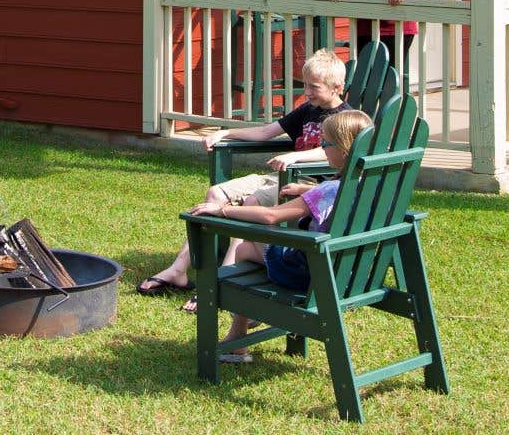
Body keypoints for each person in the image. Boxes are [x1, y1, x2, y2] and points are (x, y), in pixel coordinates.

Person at [136, 47, 349, 298]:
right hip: (276, 176)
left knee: (252, 201)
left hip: (304, 180)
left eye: (314, 87)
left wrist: (296, 155)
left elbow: (337, 152)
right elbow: (264, 132)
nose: (307, 92)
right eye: (306, 85)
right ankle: (178, 270)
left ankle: (221, 282)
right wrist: (225, 133)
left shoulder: (345, 118)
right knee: (215, 193)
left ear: (336, 87)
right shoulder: (307, 110)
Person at [187, 108, 375, 361]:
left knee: (243, 247)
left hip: (311, 272)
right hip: (350, 272)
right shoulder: (371, 183)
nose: (322, 147)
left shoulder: (329, 190)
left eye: (325, 143)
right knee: (250, 250)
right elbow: (334, 195)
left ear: (343, 149)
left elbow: (271, 216)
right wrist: (308, 190)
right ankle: (237, 338)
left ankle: (238, 335)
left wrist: (224, 210)